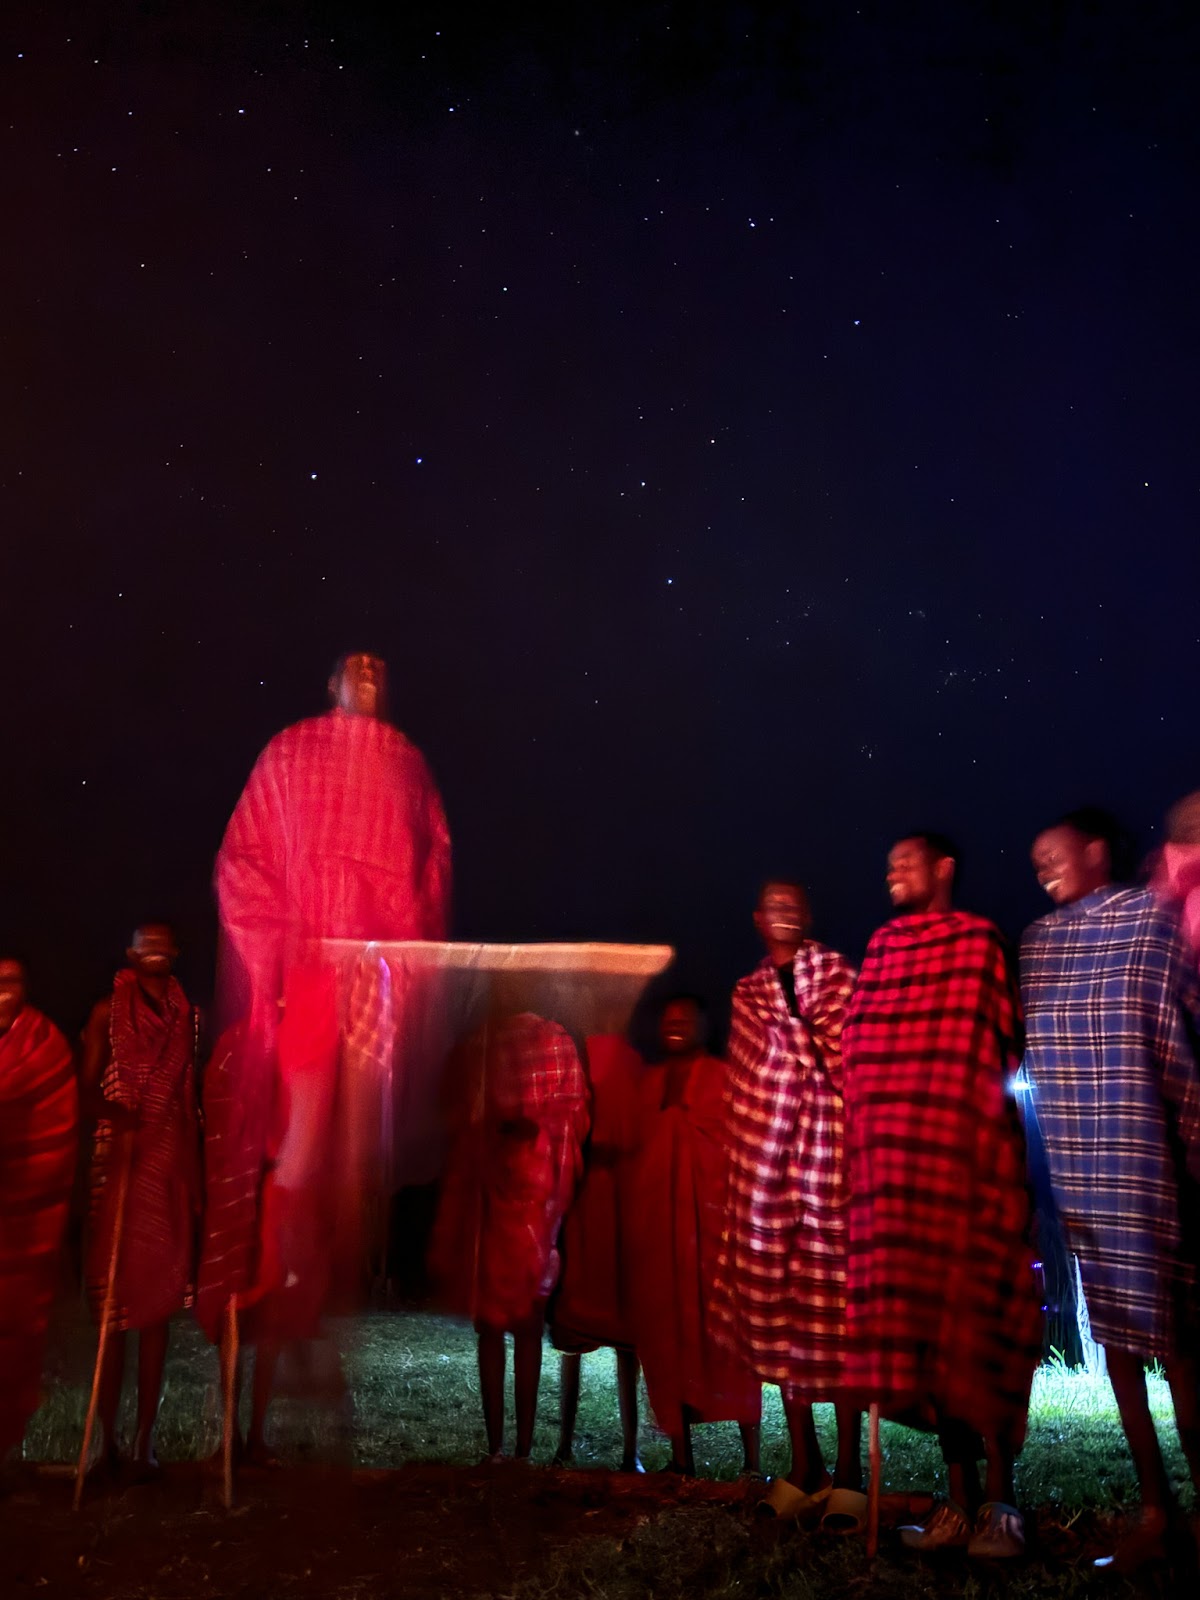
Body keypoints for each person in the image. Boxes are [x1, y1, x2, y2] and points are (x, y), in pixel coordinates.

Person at [196, 652, 451, 1456]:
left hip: (370, 983)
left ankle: (311, 1333)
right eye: (355, 666)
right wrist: (279, 953)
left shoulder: (406, 762)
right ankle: (278, 1304)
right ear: (330, 684)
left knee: (346, 1168)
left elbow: (430, 868)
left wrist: (396, 958)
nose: (370, 673)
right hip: (306, 976)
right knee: (301, 1146)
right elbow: (242, 861)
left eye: (382, 667)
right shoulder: (289, 752)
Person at [842, 836, 1040, 1558]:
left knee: (976, 1327)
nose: (891, 870)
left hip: (963, 1171)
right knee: (929, 1340)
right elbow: (859, 1042)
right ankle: (954, 1502)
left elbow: (993, 1046)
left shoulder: (979, 942)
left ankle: (1001, 1503)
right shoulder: (884, 946)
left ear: (945, 868)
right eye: (886, 861)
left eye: (906, 860)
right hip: (898, 1178)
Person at [1022, 807, 1200, 1569]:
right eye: (1034, 862)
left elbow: (1176, 1029)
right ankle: (1156, 1509)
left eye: (1052, 852)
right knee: (1121, 1346)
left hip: (1153, 1158)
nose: (1042, 868)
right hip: (1082, 1168)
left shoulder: (1150, 922)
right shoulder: (1038, 944)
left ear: (1096, 850)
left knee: (1185, 1344)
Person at [710, 881, 862, 1525]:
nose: (787, 911)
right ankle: (805, 1464)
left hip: (830, 1158)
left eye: (797, 903)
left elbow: (851, 1050)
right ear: (756, 918)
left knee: (839, 1308)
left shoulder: (837, 974)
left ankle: (852, 1471)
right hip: (767, 1173)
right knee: (781, 1315)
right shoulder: (746, 995)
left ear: (809, 915)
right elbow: (751, 1078)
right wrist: (799, 1050)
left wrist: (799, 1044)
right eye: (774, 904)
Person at [429, 1011, 589, 1462]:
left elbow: (573, 1113)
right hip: (488, 1197)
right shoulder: (481, 1045)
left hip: (536, 1200)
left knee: (527, 1323)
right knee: (490, 1325)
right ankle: (497, 1446)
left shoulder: (554, 1040)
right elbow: (455, 1112)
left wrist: (532, 1132)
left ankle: (520, 1448)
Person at [81, 924, 200, 1477]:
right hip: (119, 1162)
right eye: (144, 943)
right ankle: (102, 1443)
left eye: (164, 943)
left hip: (165, 1164)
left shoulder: (187, 1018)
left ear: (174, 955)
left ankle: (145, 1442)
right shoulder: (108, 1010)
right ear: (130, 954)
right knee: (112, 1311)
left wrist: (192, 1172)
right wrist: (117, 1117)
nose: (155, 950)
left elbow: (188, 1096)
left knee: (156, 1310)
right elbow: (84, 1089)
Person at [630, 995, 761, 1477]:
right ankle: (682, 1458)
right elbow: (637, 1156)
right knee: (668, 1338)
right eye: (668, 1019)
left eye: (686, 1017)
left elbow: (738, 1150)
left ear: (706, 1026)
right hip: (663, 1239)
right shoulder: (648, 1084)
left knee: (728, 1338)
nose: (676, 1025)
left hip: (713, 1234)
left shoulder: (723, 1078)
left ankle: (752, 1460)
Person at [548, 1032, 643, 1472]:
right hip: (585, 1200)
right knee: (574, 1328)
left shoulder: (629, 1057)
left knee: (627, 1337)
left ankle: (631, 1450)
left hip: (622, 1204)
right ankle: (564, 1444)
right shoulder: (576, 1051)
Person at [0, 959, 77, 1468]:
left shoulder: (44, 1046)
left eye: (10, 982)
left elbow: (59, 1120)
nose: (2, 992)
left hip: (23, 1219)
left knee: (15, 1337)